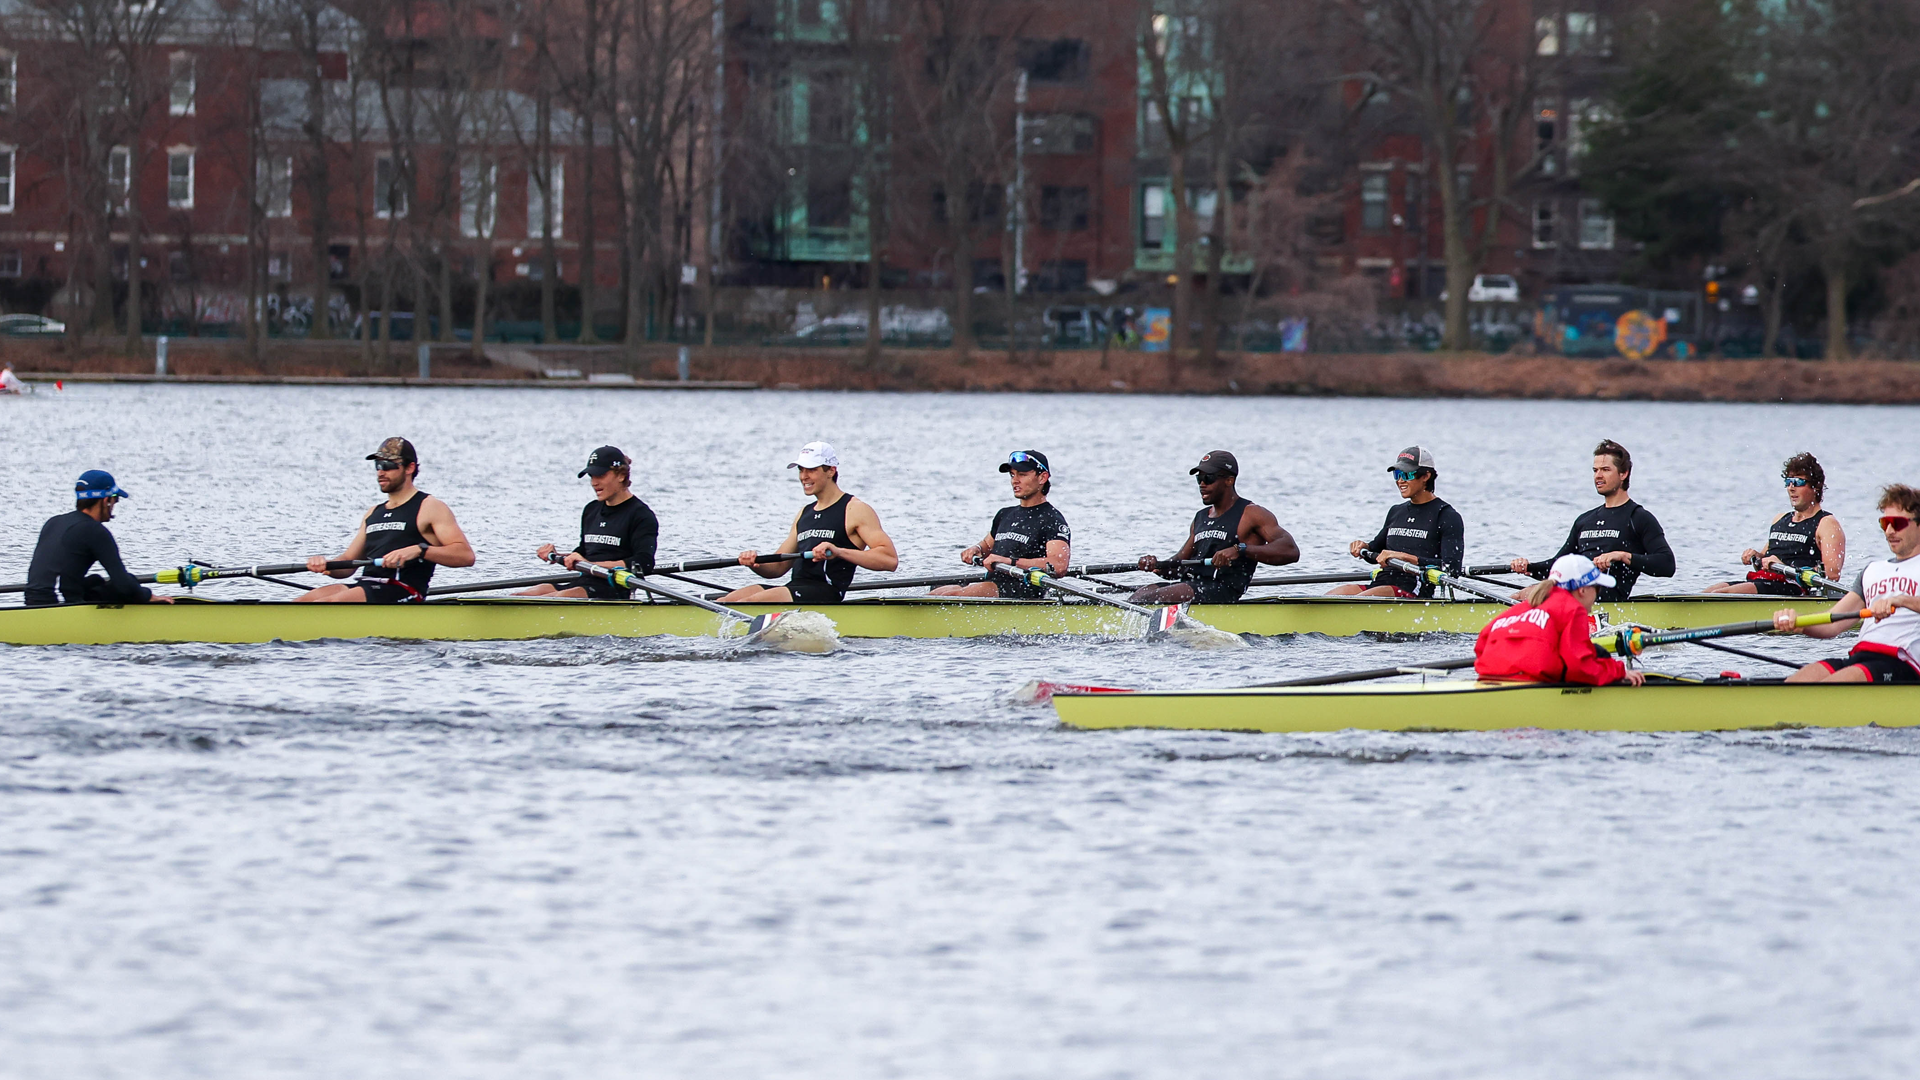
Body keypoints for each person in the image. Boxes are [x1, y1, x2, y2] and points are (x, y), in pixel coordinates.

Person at [1770, 483, 1920, 683]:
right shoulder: (1872, 571)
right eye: (1885, 523)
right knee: (1799, 681)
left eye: (1898, 523)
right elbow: (1833, 623)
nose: (1889, 531)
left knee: (1837, 683)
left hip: (1904, 663)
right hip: (1861, 657)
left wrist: (1901, 601)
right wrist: (1799, 624)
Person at [718, 441, 898, 604]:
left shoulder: (855, 509)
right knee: (726, 601)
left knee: (749, 603)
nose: (804, 476)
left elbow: (889, 560)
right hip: (796, 588)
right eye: (801, 470)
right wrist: (755, 563)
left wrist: (839, 552)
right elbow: (777, 568)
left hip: (825, 592)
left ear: (831, 471)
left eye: (811, 470)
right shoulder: (804, 513)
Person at [299, 437, 475, 603]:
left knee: (331, 603)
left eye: (388, 465)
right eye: (377, 465)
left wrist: (420, 551)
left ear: (410, 468)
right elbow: (348, 562)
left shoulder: (430, 507)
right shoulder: (373, 513)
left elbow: (465, 556)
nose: (381, 472)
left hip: (403, 589)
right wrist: (326, 564)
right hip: (366, 585)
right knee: (303, 602)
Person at [1508, 439, 1674, 601]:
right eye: (1595, 470)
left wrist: (1622, 556)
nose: (1598, 476)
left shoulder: (1638, 518)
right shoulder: (1585, 520)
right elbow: (1557, 566)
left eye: (1605, 470)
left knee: (1529, 595)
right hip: (1575, 592)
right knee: (1519, 595)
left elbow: (1667, 565)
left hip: (1606, 599)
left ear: (1624, 473)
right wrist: (1528, 567)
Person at [1131, 450, 1300, 604]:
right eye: (1199, 478)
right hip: (1191, 586)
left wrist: (1240, 549)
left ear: (1229, 480)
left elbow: (1290, 550)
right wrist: (1156, 565)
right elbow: (1180, 565)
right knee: (1141, 594)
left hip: (1222, 589)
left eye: (1209, 478)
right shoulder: (1201, 517)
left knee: (1157, 597)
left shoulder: (1251, 514)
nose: (1202, 484)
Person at [1474, 553, 1645, 686]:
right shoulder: (1572, 609)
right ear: (1583, 589)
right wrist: (1618, 672)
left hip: (1488, 678)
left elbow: (1481, 645)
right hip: (1526, 686)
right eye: (1597, 589)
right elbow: (1580, 668)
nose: (1596, 597)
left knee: (1594, 652)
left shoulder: (1520, 609)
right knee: (1598, 655)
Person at [517, 445, 659, 598]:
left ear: (621, 476)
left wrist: (590, 564)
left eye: (600, 475)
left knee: (552, 599)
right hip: (584, 582)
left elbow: (644, 563)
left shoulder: (641, 515)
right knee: (521, 595)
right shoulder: (591, 510)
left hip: (612, 589)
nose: (594, 483)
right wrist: (559, 555)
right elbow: (585, 552)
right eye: (592, 476)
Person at [1327, 446, 1465, 598]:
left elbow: (1452, 569)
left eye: (1407, 474)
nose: (1400, 480)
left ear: (1426, 476)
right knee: (1331, 596)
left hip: (1414, 588)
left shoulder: (1447, 516)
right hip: (1381, 582)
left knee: (1360, 600)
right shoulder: (1396, 512)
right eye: (1397, 474)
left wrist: (1404, 557)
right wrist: (1363, 546)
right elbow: (1375, 550)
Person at [931, 450, 1071, 599]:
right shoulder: (1005, 514)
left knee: (951, 595)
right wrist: (975, 549)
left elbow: (1059, 565)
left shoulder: (1052, 520)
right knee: (938, 591)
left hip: (1022, 591)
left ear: (1042, 477)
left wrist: (1010, 562)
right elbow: (986, 547)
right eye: (1012, 475)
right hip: (994, 583)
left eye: (1022, 475)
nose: (1014, 480)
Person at [24, 470, 174, 607]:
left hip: (32, 602)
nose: (115, 505)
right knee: (129, 582)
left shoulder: (53, 522)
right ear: (106, 500)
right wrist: (148, 596)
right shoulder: (95, 531)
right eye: (115, 500)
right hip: (61, 609)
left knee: (95, 581)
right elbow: (124, 584)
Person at [1704, 452, 1846, 594]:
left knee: (1721, 595)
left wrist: (1783, 566)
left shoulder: (1827, 524)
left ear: (1815, 487)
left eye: (1798, 482)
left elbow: (1832, 575)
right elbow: (1766, 559)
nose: (1791, 487)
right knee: (1709, 591)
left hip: (1796, 588)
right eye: (1788, 482)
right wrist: (1756, 556)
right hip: (1767, 581)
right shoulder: (1780, 519)